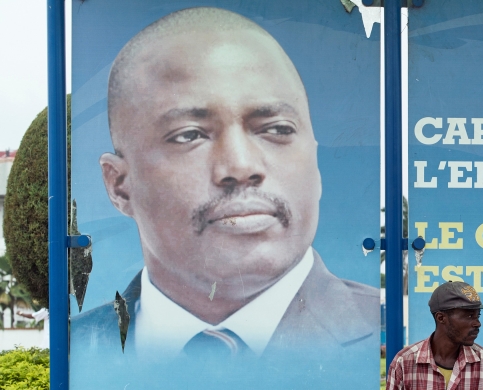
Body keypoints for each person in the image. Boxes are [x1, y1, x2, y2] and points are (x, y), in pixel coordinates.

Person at [72, 7, 378, 357]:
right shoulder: (79, 349)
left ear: (315, 161)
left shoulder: (378, 329)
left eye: (277, 129)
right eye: (189, 135)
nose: (241, 166)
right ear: (119, 185)